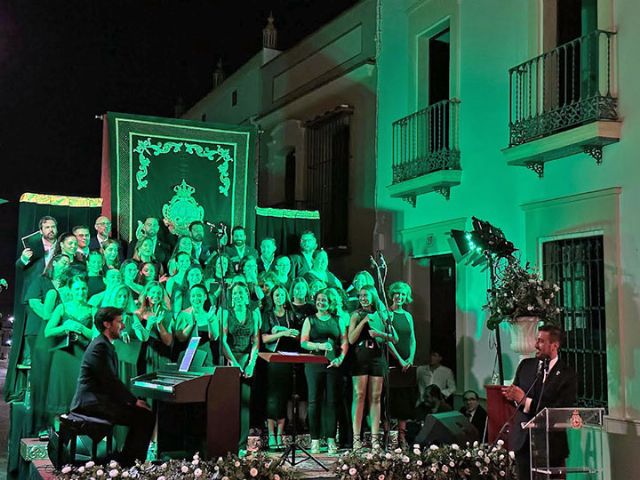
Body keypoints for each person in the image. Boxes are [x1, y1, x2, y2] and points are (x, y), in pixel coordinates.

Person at [70, 307, 155, 467]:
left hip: (98, 401)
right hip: (90, 404)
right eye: (120, 322)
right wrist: (133, 401)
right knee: (145, 416)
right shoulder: (100, 347)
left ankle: (126, 460)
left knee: (143, 414)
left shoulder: (104, 344)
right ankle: (129, 463)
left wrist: (130, 401)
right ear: (107, 324)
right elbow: (110, 381)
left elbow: (110, 383)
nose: (123, 326)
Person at [502, 326, 577, 480]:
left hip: (551, 446)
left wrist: (525, 401)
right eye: (537, 340)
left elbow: (559, 411)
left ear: (554, 345)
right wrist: (515, 399)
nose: (536, 345)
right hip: (523, 442)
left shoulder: (567, 375)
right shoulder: (525, 366)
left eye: (541, 341)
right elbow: (514, 399)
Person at [348, 284, 397, 451]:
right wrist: (363, 322)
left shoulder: (381, 314)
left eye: (366, 295)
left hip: (377, 356)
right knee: (359, 395)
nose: (363, 298)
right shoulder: (356, 314)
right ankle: (356, 439)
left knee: (376, 397)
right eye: (360, 295)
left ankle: (375, 439)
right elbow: (351, 339)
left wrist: (380, 334)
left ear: (373, 296)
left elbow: (394, 338)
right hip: (361, 356)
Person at [300, 288, 348, 455]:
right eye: (319, 300)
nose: (321, 303)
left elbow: (344, 341)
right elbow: (303, 342)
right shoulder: (310, 320)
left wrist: (340, 359)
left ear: (330, 302)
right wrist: (319, 346)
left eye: (324, 300)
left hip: (333, 363)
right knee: (314, 401)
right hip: (313, 363)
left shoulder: (338, 320)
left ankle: (330, 439)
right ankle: (314, 440)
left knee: (332, 402)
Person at [45, 276, 95, 422]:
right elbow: (47, 332)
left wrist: (80, 327)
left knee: (79, 392)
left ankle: (77, 436)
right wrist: (64, 326)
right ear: (71, 291)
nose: (81, 291)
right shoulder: (62, 307)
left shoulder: (92, 309)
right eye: (77, 289)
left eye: (84, 288)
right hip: (63, 356)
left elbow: (95, 335)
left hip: (83, 356)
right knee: (60, 396)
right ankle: (58, 437)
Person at [220, 282, 261, 455]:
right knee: (230, 402)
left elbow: (256, 341)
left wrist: (251, 362)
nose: (238, 296)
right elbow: (222, 340)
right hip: (230, 358)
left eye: (241, 293)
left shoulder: (255, 313)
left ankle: (242, 445)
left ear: (246, 296)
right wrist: (234, 363)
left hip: (247, 359)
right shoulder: (225, 312)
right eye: (235, 294)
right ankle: (228, 443)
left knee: (245, 402)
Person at [262, 285, 300, 450]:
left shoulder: (291, 314)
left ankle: (280, 434)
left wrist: (291, 332)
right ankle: (271, 434)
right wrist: (281, 333)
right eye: (276, 295)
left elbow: (298, 334)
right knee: (273, 397)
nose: (279, 297)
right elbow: (264, 338)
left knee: (285, 396)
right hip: (273, 358)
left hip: (289, 358)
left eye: (282, 294)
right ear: (272, 297)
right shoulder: (268, 315)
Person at [386, 281, 417, 447]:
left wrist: (411, 358)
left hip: (407, 364)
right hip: (393, 362)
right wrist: (399, 359)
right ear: (393, 294)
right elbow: (387, 341)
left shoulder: (408, 316)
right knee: (391, 401)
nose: (400, 297)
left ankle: (402, 437)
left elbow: (412, 338)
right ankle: (388, 438)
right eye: (397, 293)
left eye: (403, 294)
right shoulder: (387, 314)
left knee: (404, 402)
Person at [174, 283, 218, 366]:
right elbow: (180, 338)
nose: (196, 298)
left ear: (205, 297)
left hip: (205, 357)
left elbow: (214, 337)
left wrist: (210, 320)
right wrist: (190, 325)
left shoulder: (211, 315)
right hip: (187, 358)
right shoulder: (183, 315)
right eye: (193, 296)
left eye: (199, 295)